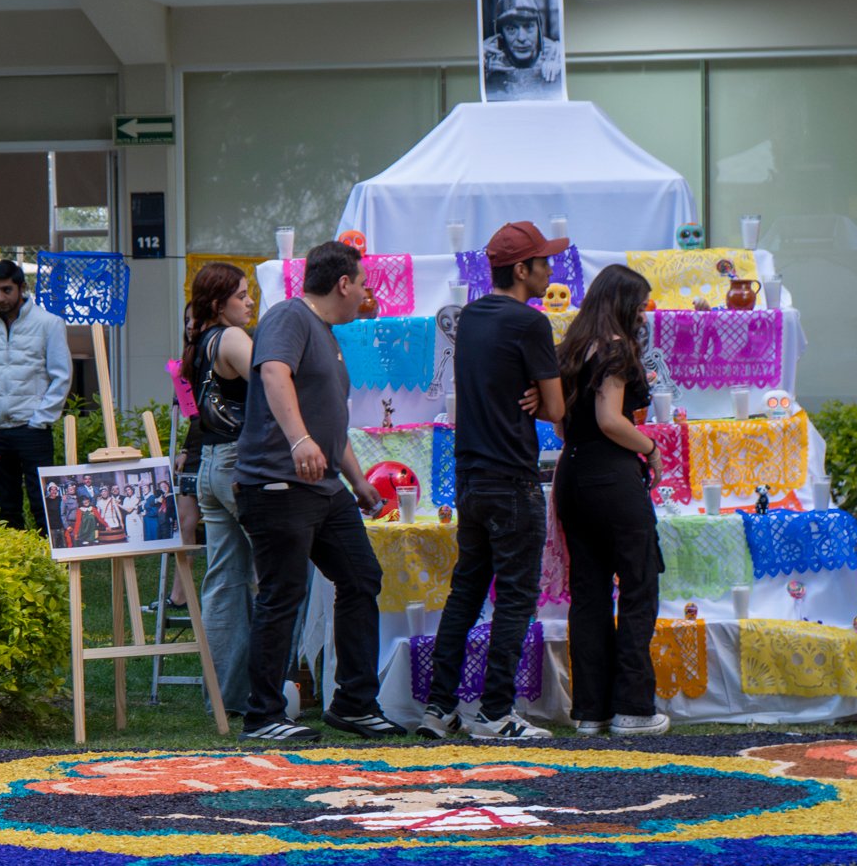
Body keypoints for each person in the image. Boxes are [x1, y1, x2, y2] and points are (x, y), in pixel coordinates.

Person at [234, 240, 409, 741]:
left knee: (361, 577)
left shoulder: (327, 334)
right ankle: (263, 715)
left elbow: (330, 422)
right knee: (282, 594)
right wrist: (299, 440)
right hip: (276, 483)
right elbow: (272, 373)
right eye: (362, 284)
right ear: (343, 283)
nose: (366, 294)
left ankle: (354, 703)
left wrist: (358, 481)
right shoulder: (289, 316)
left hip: (325, 487)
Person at [418, 221, 567, 742]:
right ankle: (495, 713)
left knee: (465, 594)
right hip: (512, 477)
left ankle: (438, 708)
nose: (551, 270)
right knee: (515, 600)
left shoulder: (472, 316)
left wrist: (525, 389)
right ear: (521, 269)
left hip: (471, 477)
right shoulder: (530, 324)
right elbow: (555, 408)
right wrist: (535, 393)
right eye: (543, 262)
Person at [552, 264, 667, 737]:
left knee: (590, 594)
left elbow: (561, 423)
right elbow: (610, 419)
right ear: (622, 304)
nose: (643, 313)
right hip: (612, 478)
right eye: (639, 303)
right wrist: (651, 447)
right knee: (639, 585)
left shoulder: (573, 348)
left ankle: (590, 712)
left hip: (573, 477)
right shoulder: (617, 349)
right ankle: (633, 709)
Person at [180, 261, 257, 712]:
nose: (249, 302)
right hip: (237, 464)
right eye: (242, 295)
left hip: (210, 464)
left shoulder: (201, 343)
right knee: (280, 575)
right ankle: (267, 691)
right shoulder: (230, 338)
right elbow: (271, 384)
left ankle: (223, 697)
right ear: (217, 304)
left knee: (224, 582)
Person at [0, 258, 71, 531]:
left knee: (44, 504)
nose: (0, 297)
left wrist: (40, 419)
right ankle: (16, 568)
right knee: (7, 508)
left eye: (6, 290)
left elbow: (62, 375)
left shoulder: (49, 323)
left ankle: (49, 565)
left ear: (22, 287)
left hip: (32, 428)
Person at [480, 0, 563, 100]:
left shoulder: (555, 53)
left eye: (529, 26)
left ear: (538, 29)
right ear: (500, 33)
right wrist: (482, 68)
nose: (522, 38)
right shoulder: (488, 56)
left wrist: (560, 68)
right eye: (511, 29)